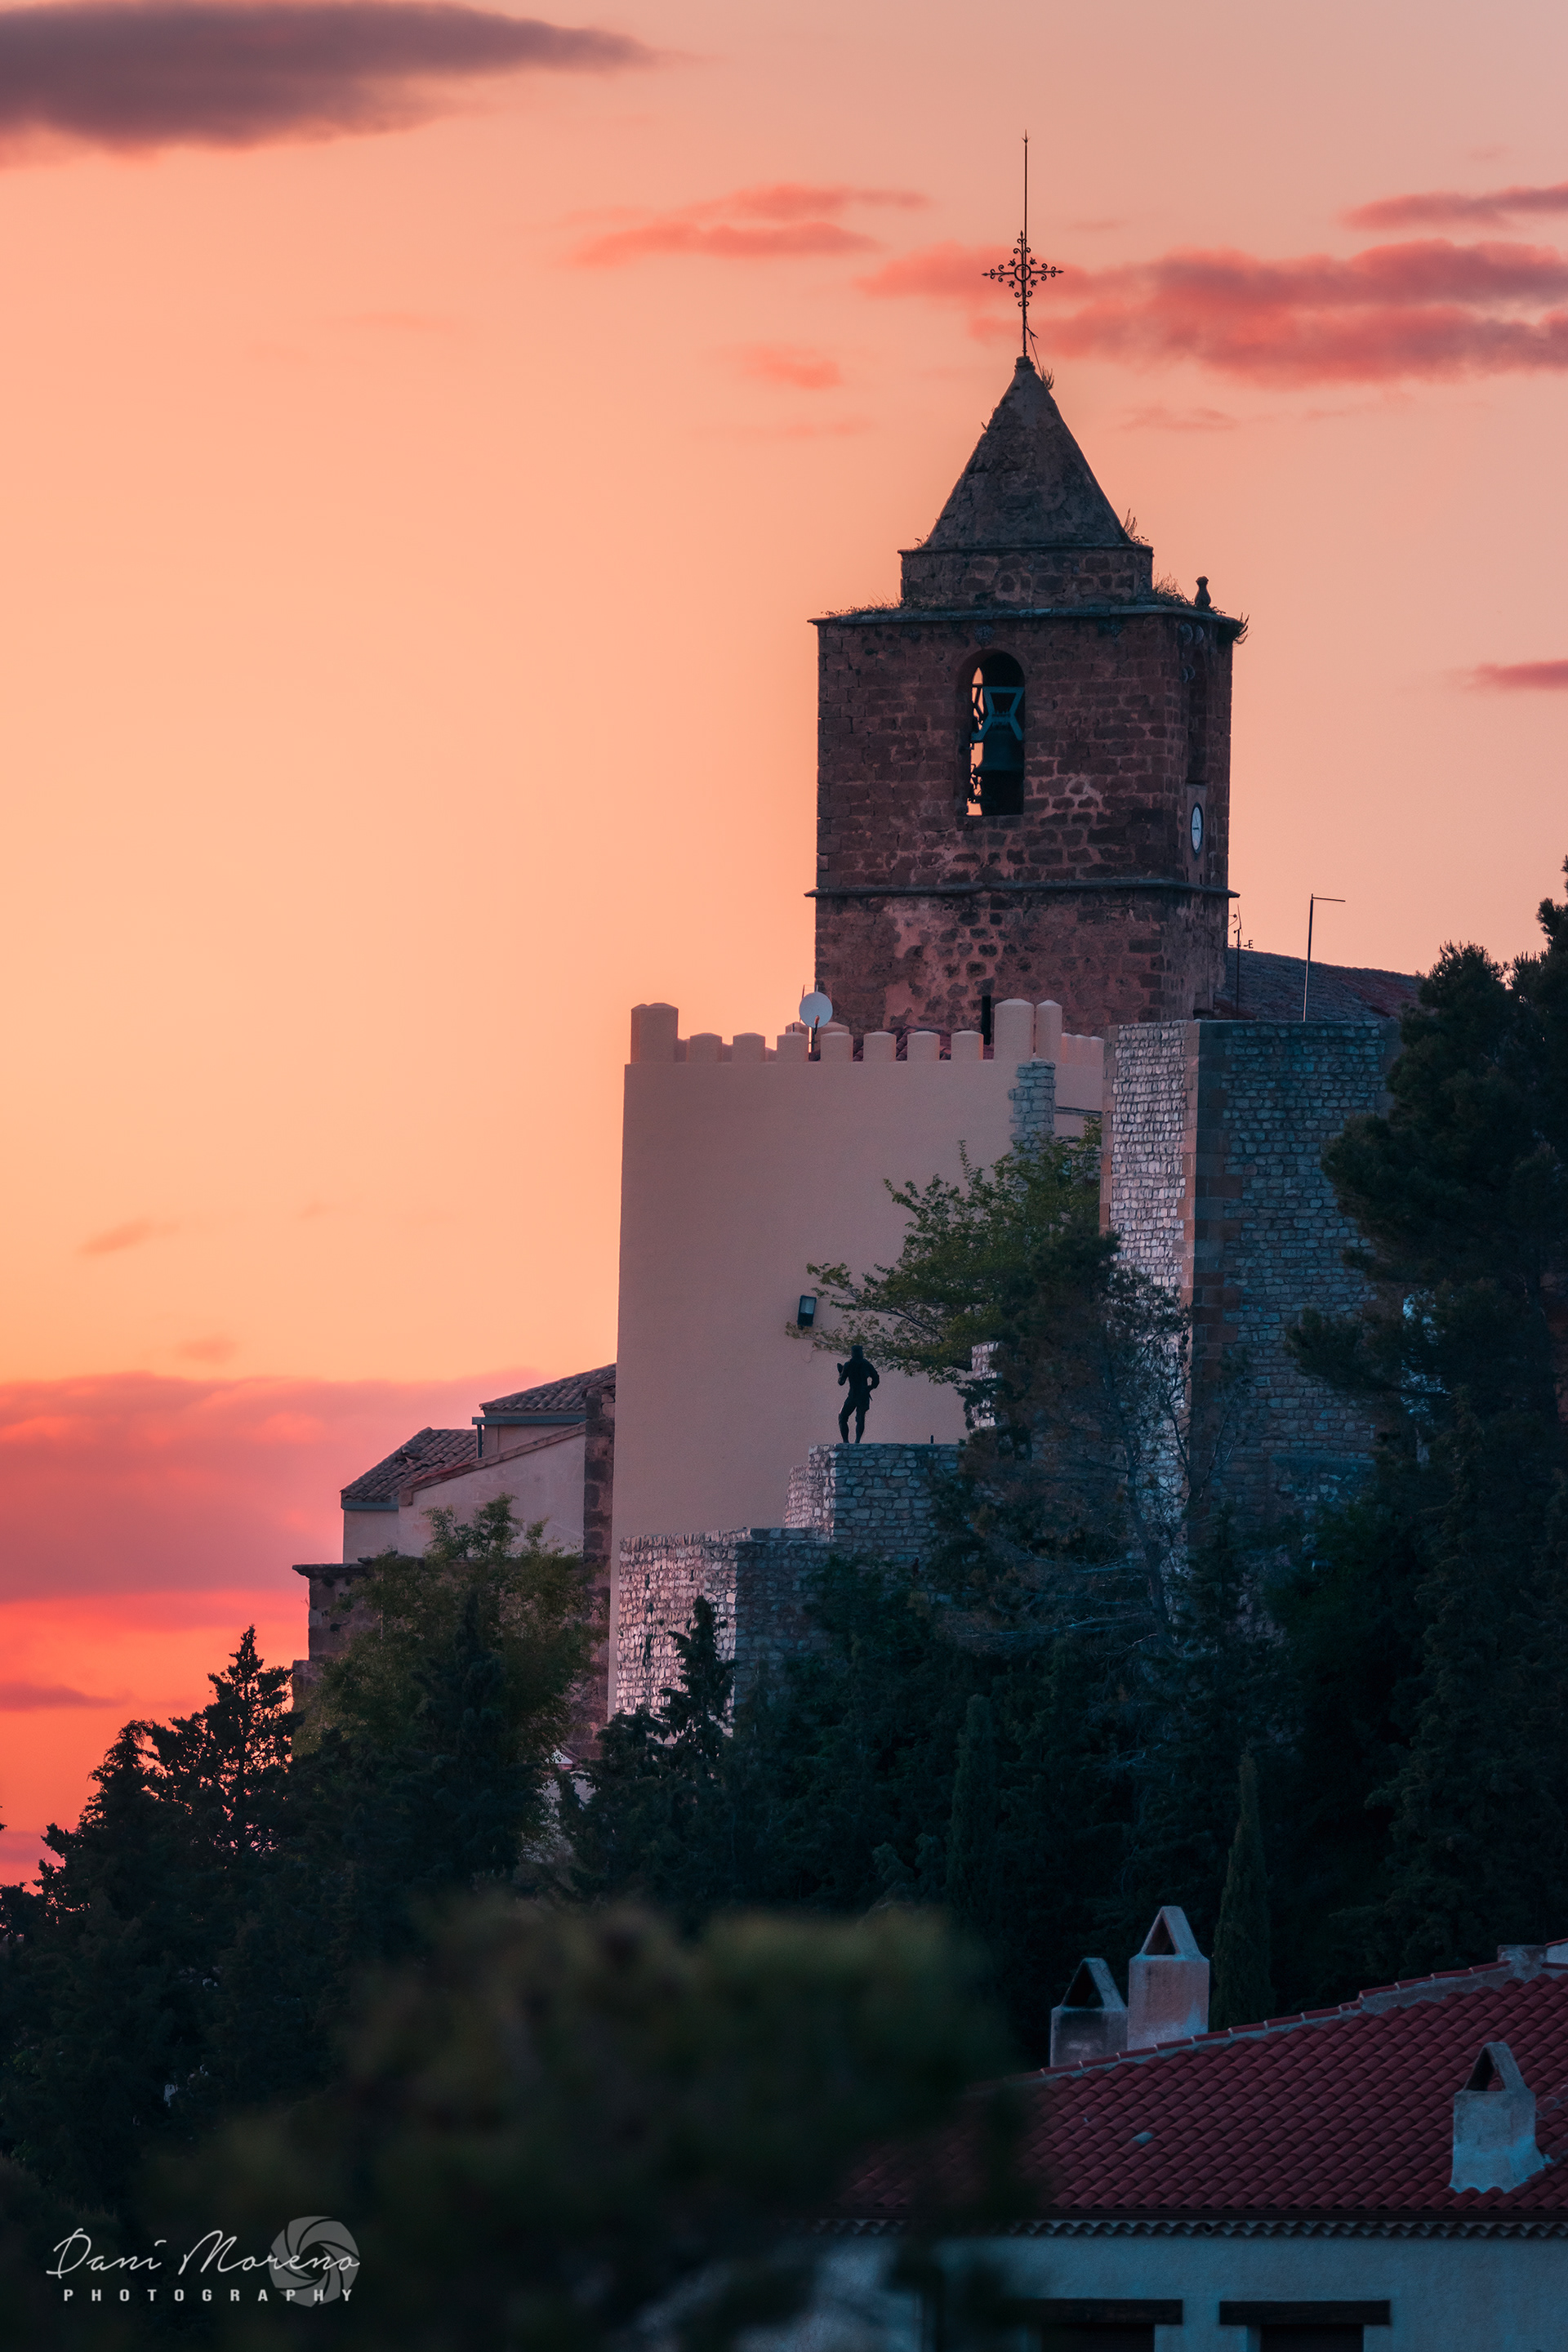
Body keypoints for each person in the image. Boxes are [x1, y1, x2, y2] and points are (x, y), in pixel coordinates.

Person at [836, 1345, 880, 1444]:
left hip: (853, 1395)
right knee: (860, 1418)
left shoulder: (849, 1365)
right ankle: (857, 1441)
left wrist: (841, 1372)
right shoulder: (866, 1364)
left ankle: (846, 1441)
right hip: (863, 1395)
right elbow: (876, 1378)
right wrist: (870, 1388)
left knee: (842, 1417)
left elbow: (841, 1382)